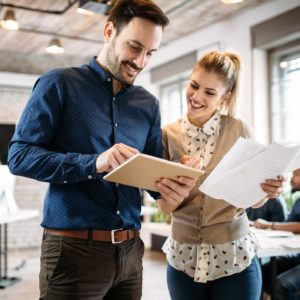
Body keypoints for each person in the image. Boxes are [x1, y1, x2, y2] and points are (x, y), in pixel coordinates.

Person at [7, 1, 187, 299]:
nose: (141, 61)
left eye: (150, 53)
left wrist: (175, 181)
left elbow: (153, 178)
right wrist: (94, 163)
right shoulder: (60, 84)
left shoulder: (148, 104)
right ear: (108, 31)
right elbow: (19, 156)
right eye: (134, 47)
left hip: (131, 254)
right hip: (73, 252)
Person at [155, 50, 285, 300]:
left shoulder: (239, 130)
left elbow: (253, 199)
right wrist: (181, 181)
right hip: (184, 259)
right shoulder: (166, 135)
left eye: (210, 92)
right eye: (194, 85)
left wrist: (267, 191)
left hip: (234, 257)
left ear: (224, 97)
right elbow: (164, 205)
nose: (196, 96)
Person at [253, 168, 300, 300]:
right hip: (295, 254)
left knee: (282, 285)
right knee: (262, 273)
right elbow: (288, 227)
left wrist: (269, 225)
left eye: (296, 174)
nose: (291, 178)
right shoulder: (298, 202)